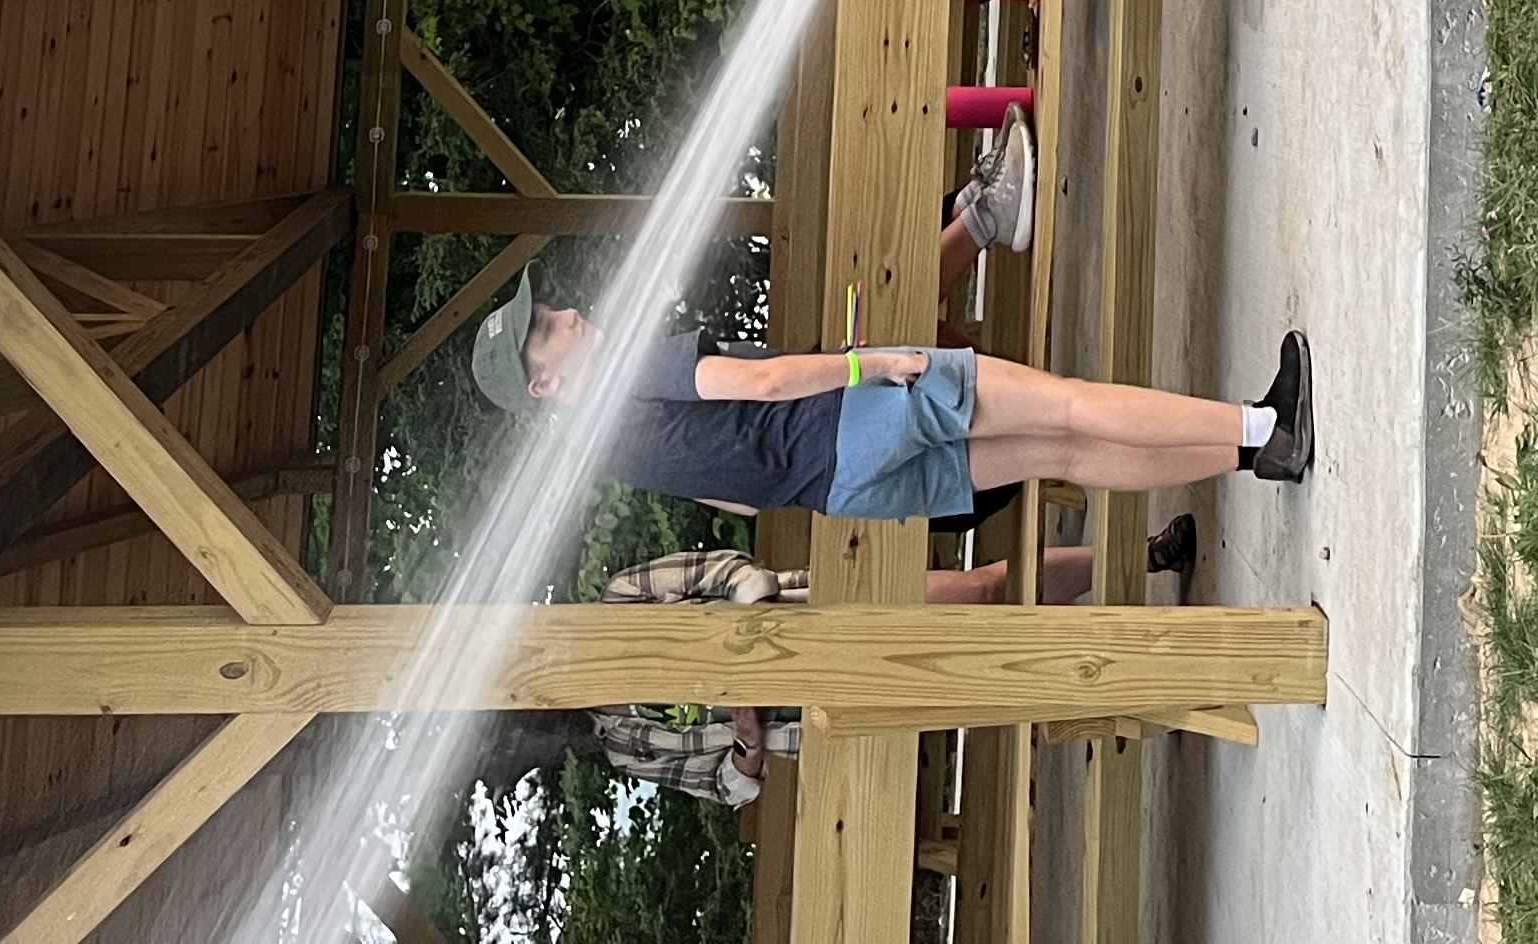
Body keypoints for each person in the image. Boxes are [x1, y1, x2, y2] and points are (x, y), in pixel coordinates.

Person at [468, 284, 1316, 515]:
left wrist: (815, 465)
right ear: (544, 383)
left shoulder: (613, 455)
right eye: (550, 326)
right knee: (1065, 405)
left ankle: (1250, 457)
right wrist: (863, 364)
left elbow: (731, 502)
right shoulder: (632, 377)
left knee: (1058, 456)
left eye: (553, 309)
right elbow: (761, 383)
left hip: (843, 489)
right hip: (852, 412)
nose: (572, 314)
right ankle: (1265, 425)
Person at [582, 525, 1200, 805]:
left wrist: (752, 640)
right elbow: (729, 787)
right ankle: (1159, 676)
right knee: (1003, 682)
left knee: (984, 592)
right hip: (838, 708)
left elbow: (725, 571)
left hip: (827, 609)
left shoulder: (616, 601)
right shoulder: (624, 747)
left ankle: (1143, 557)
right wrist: (747, 744)